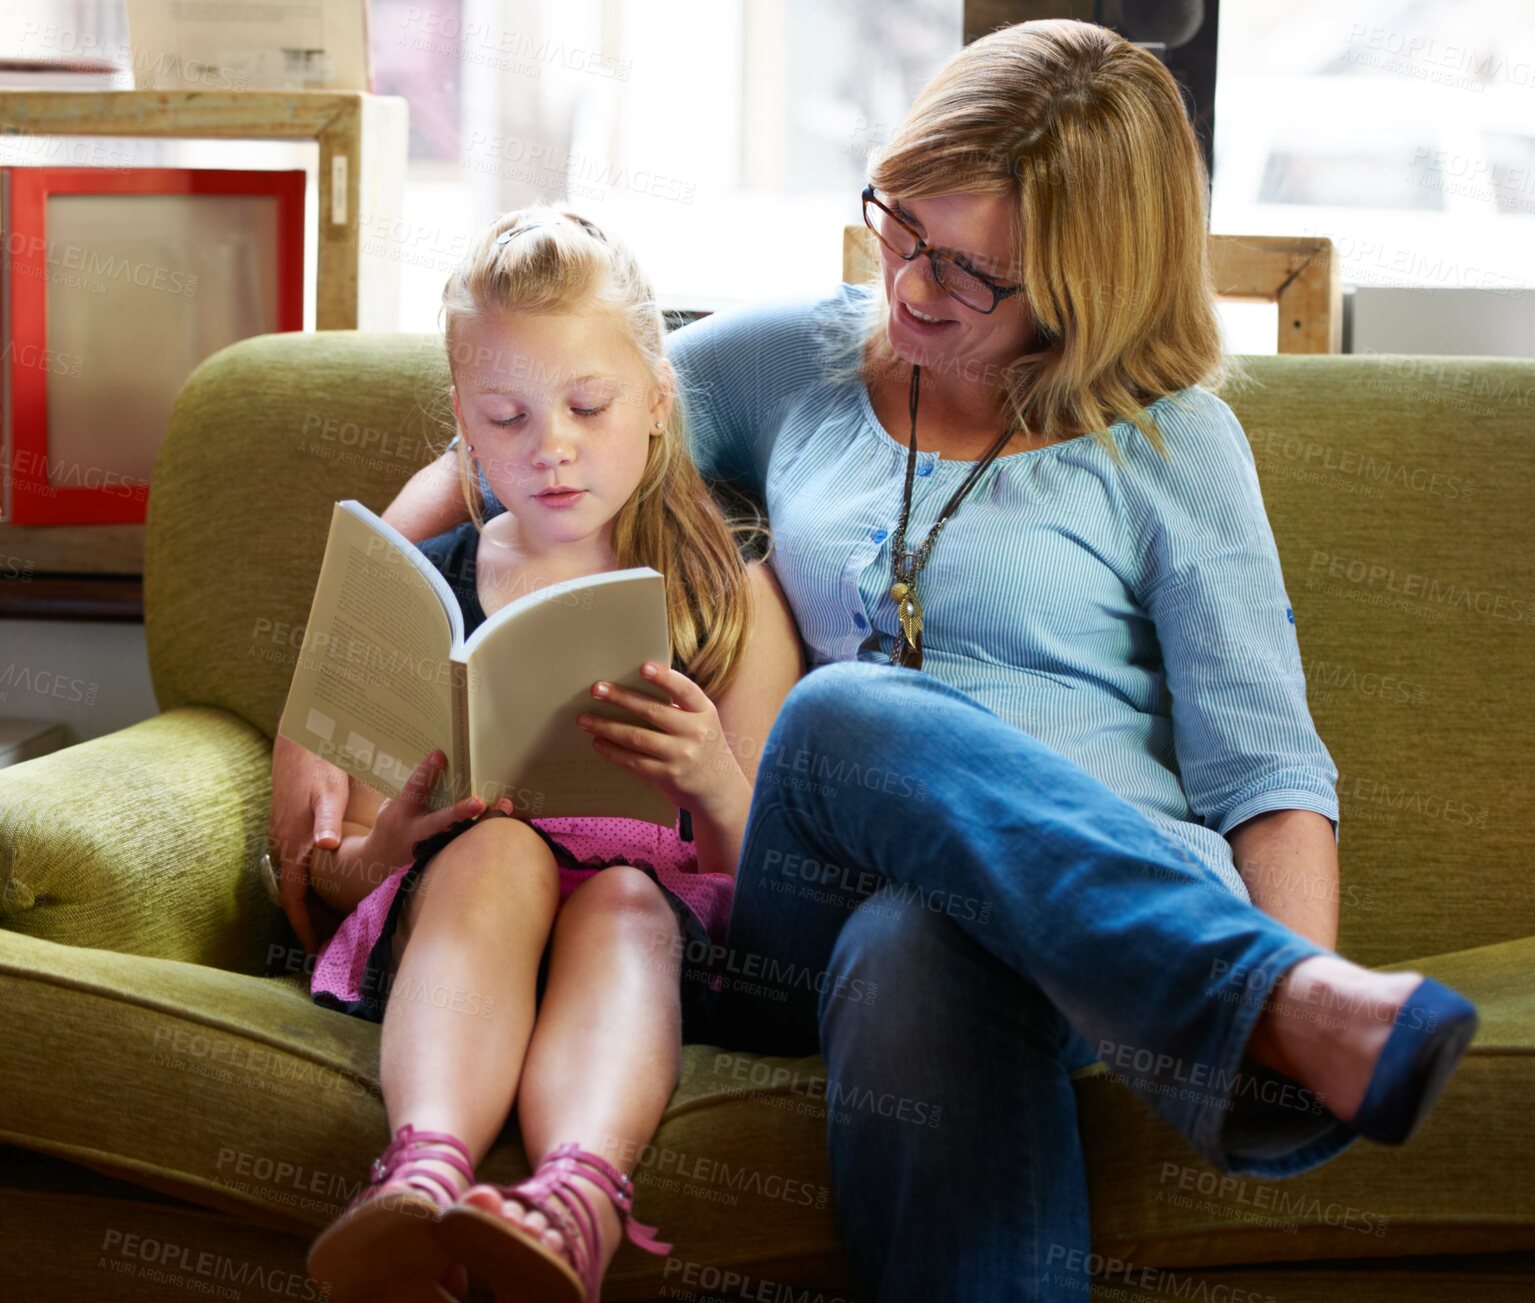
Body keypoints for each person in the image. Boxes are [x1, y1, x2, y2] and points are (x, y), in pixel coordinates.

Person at [273, 21, 1479, 1302]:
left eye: (968, 271)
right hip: (801, 898)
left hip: (1078, 936)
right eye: (899, 225)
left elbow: (1266, 771)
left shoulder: (1174, 446)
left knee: (916, 936)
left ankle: (1268, 999)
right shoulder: (792, 361)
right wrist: (353, 642)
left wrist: (1300, 950)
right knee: (845, 723)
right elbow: (542, 420)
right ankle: (1256, 1002)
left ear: (1090, 280)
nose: (908, 285)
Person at [299, 204, 804, 1303]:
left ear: (658, 399)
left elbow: (770, 872)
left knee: (621, 894)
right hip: (461, 921)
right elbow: (334, 875)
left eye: (588, 404)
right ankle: (418, 1175)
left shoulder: (729, 594)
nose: (552, 447)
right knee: (498, 856)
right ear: (462, 428)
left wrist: (710, 774)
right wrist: (381, 847)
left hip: (643, 933)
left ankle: (573, 1202)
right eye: (506, 416)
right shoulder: (425, 582)